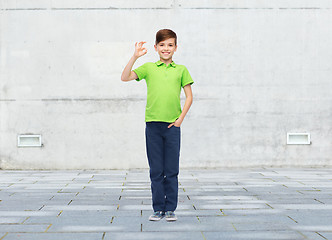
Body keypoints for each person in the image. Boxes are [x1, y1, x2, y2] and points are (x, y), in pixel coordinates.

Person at [121, 29, 194, 222]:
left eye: (170, 45)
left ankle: (170, 209)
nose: (166, 48)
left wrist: (180, 119)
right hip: (153, 126)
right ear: (155, 47)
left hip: (172, 127)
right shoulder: (149, 68)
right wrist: (134, 56)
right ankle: (157, 209)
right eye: (162, 45)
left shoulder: (181, 70)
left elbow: (189, 97)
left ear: (175, 48)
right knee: (156, 170)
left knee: (171, 170)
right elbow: (125, 77)